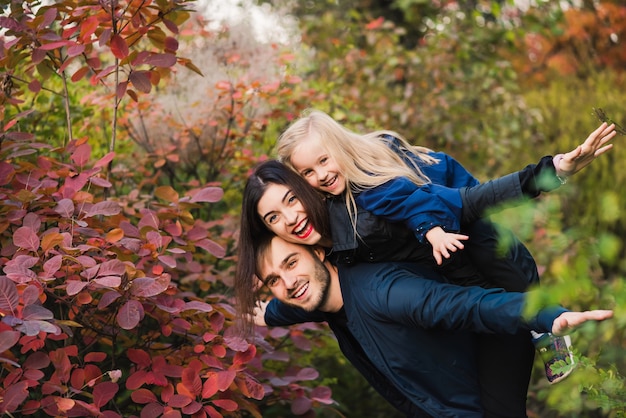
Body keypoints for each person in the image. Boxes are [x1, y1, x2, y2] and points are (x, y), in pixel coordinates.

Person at [274, 110, 616, 381]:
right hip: (455, 279)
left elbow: (442, 202)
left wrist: (551, 171)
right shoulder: (336, 206)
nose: (319, 175)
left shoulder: (376, 187)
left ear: (341, 150)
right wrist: (271, 311)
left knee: (519, 296)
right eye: (307, 173)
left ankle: (547, 331)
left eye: (323, 161)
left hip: (474, 245)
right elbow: (325, 288)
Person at [254, 233, 613, 417]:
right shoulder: (314, 298)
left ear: (317, 252)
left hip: (483, 394)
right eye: (273, 280)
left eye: (291, 263)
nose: (287, 283)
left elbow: (465, 305)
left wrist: (545, 315)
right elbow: (285, 307)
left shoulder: (384, 292)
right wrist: (256, 314)